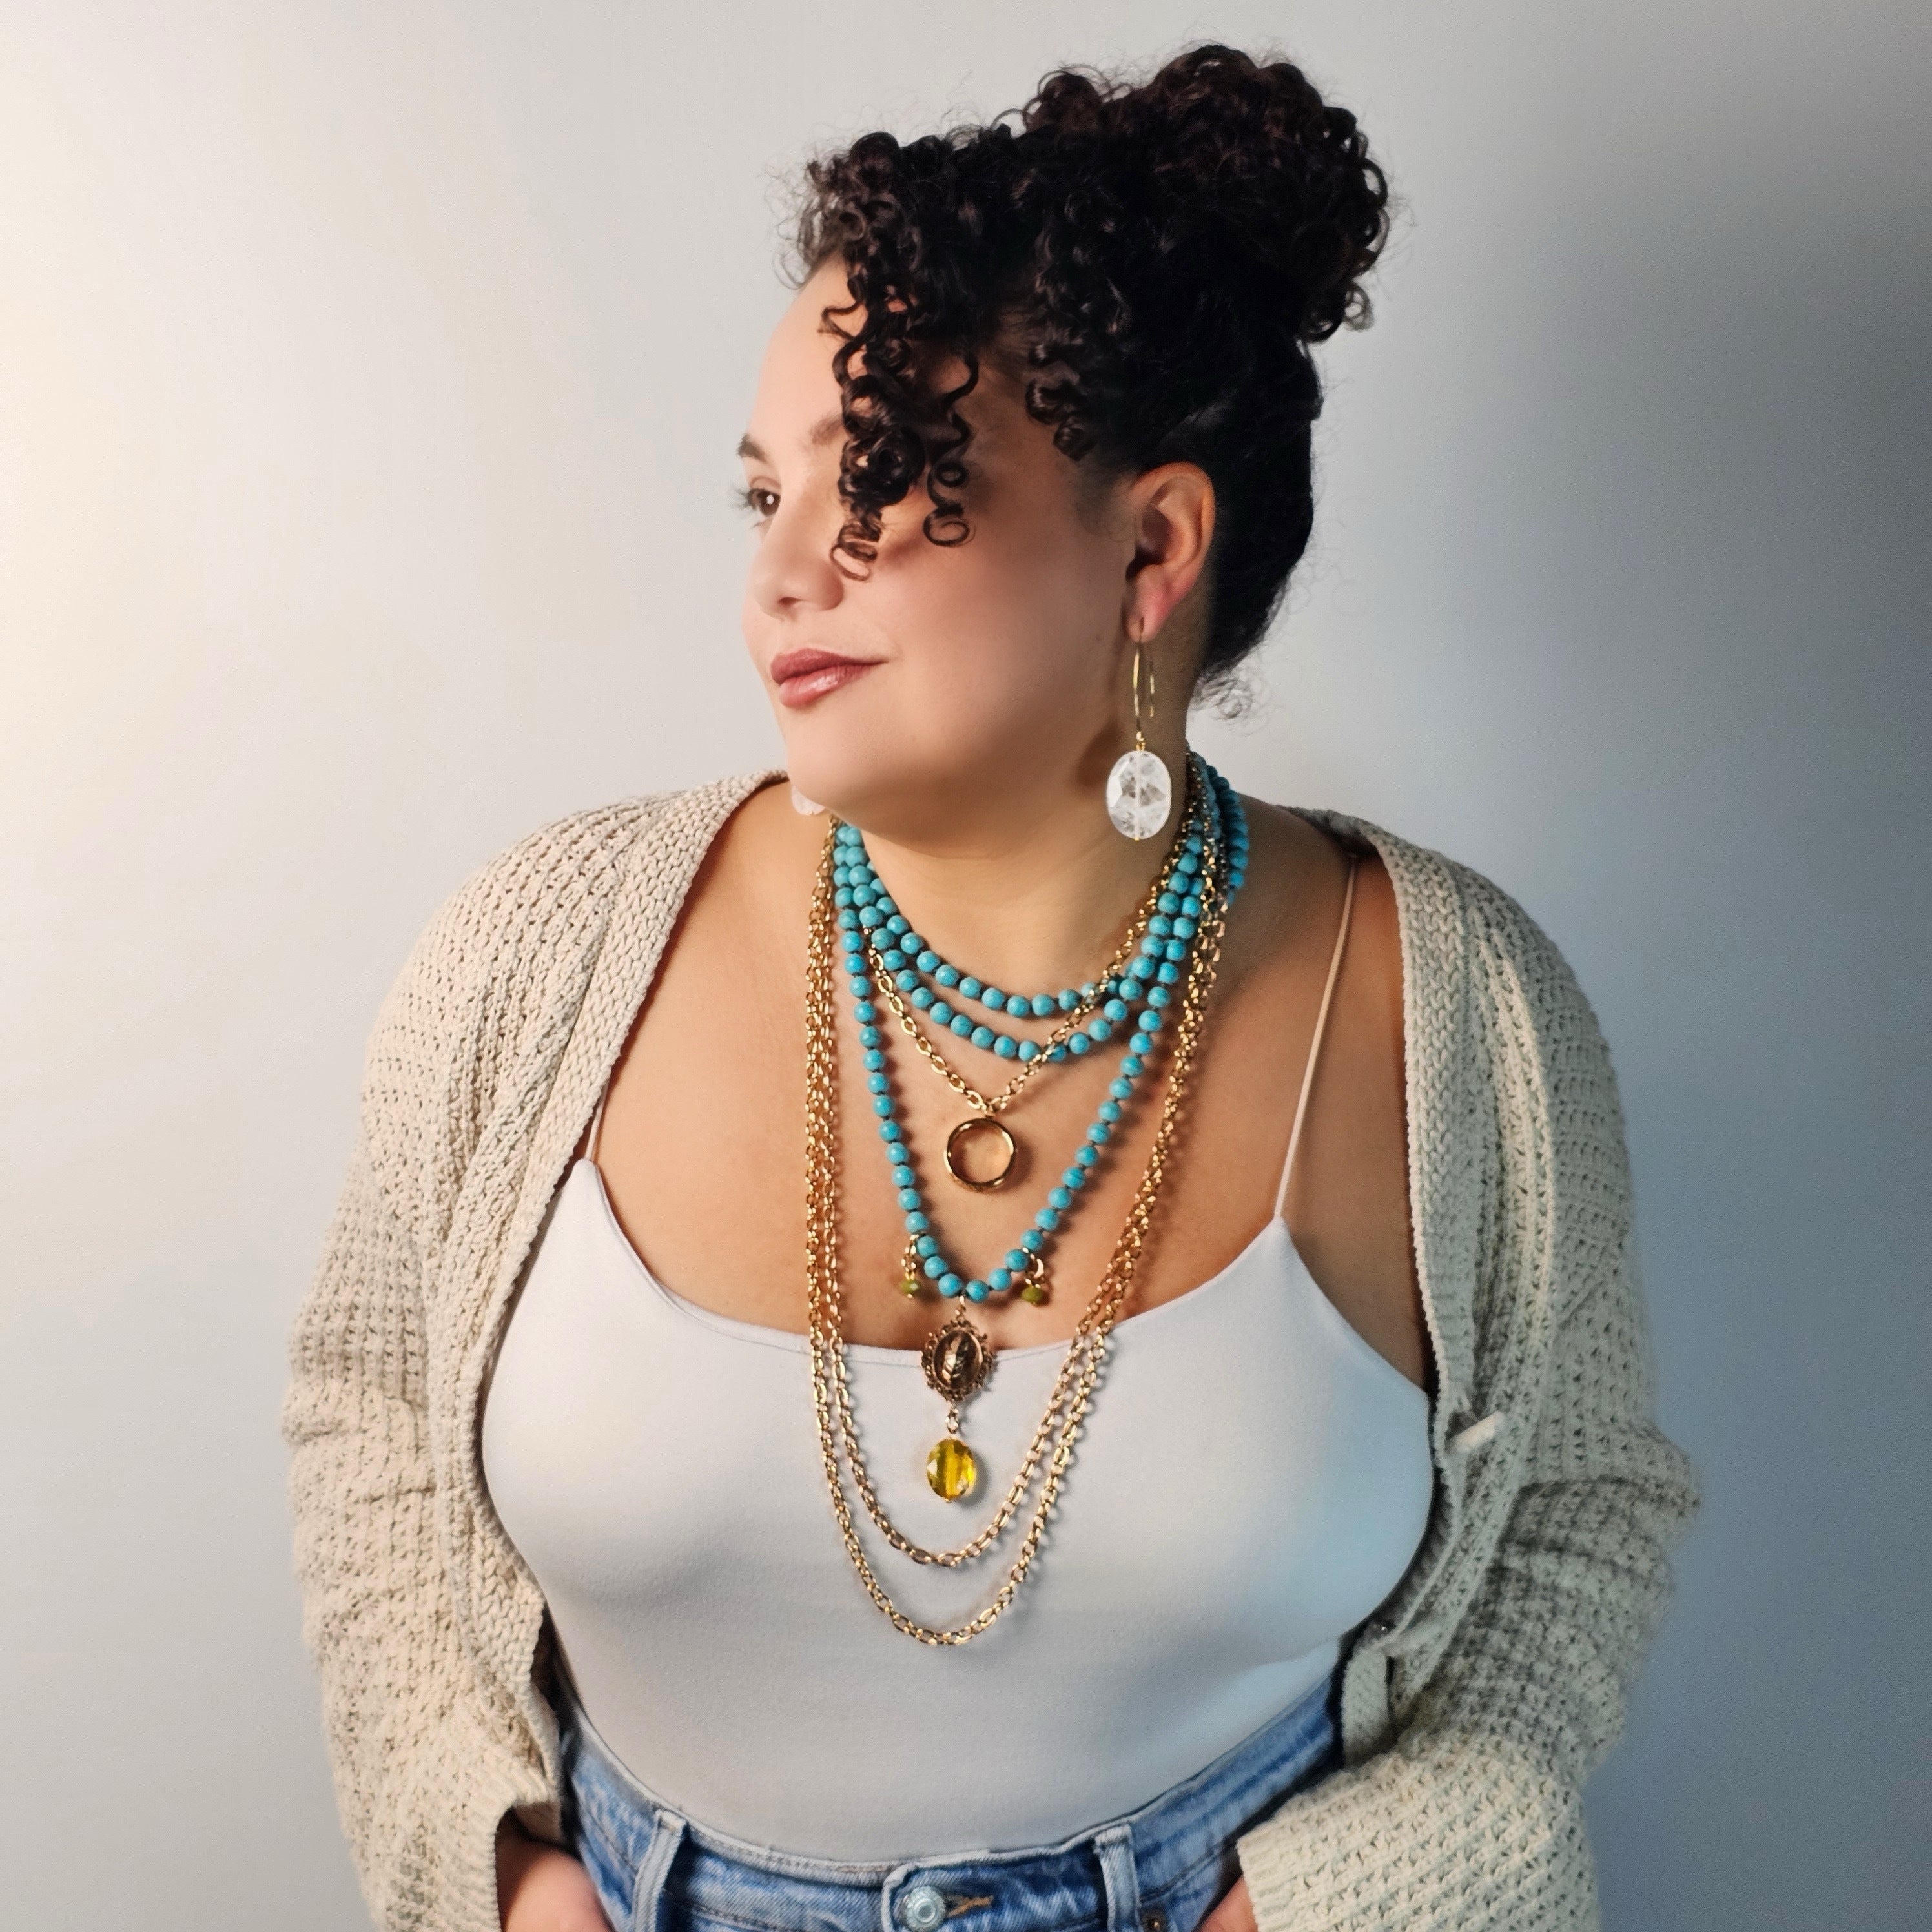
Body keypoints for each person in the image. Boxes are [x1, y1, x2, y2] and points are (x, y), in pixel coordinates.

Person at [283, 44, 1701, 1932]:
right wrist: (508, 1885)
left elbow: (1579, 1528)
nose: (781, 577)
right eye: (763, 492)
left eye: (879, 479)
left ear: (1153, 549)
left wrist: (1334, 1911)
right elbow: (370, 1421)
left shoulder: (1462, 1020)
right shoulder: (533, 958)